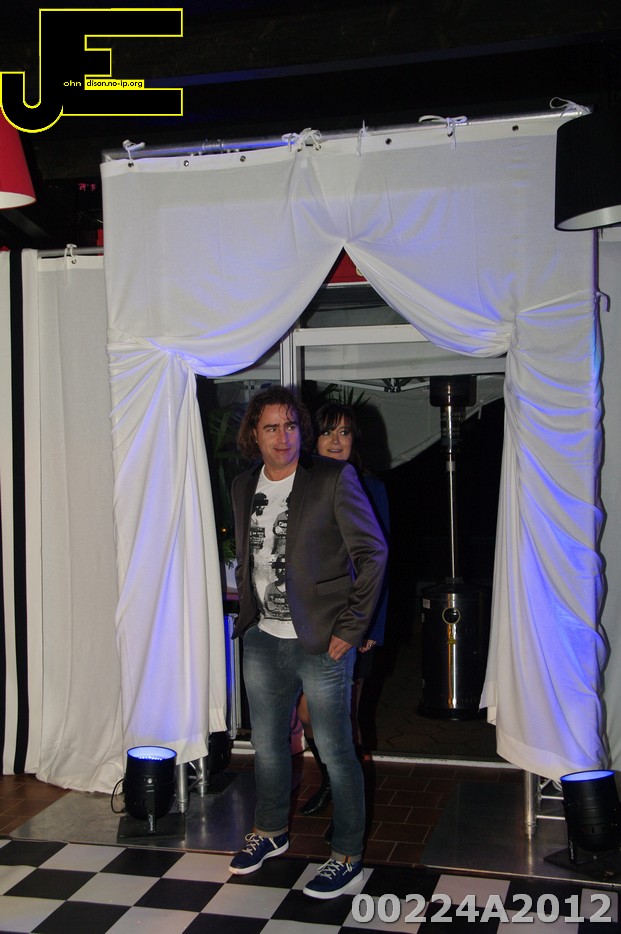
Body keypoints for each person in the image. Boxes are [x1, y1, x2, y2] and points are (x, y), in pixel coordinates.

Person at [228, 386, 388, 898]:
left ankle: (347, 855)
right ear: (255, 435)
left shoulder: (332, 478)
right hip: (262, 638)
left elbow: (373, 553)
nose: (283, 437)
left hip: (321, 641)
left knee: (336, 751)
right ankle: (271, 830)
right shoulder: (243, 485)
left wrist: (352, 627)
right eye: (271, 427)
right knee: (268, 747)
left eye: (291, 426)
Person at [297, 402, 389, 820]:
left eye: (344, 433)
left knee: (344, 719)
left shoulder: (370, 488)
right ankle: (330, 781)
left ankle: (349, 809)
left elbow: (382, 563)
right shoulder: (299, 486)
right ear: (313, 439)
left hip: (355, 623)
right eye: (327, 432)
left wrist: (371, 627)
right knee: (308, 714)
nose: (336, 441)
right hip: (310, 624)